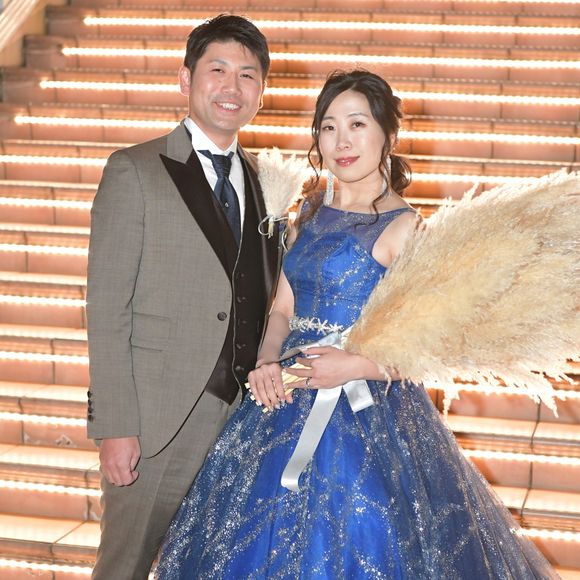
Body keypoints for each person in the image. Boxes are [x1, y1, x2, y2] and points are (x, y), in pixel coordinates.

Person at [155, 70, 558, 579]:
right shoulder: (308, 213)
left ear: (388, 134)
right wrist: (265, 360)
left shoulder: (405, 227)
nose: (341, 141)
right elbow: (282, 308)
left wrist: (353, 366)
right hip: (284, 391)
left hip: (367, 409)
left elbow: (428, 344)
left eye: (357, 124)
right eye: (328, 127)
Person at [86, 14, 281, 579]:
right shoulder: (135, 170)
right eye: (217, 70)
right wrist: (116, 425)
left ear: (261, 93)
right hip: (156, 424)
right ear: (185, 79)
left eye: (247, 75)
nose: (231, 86)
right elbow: (107, 310)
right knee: (124, 568)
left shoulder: (267, 183)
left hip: (241, 421)